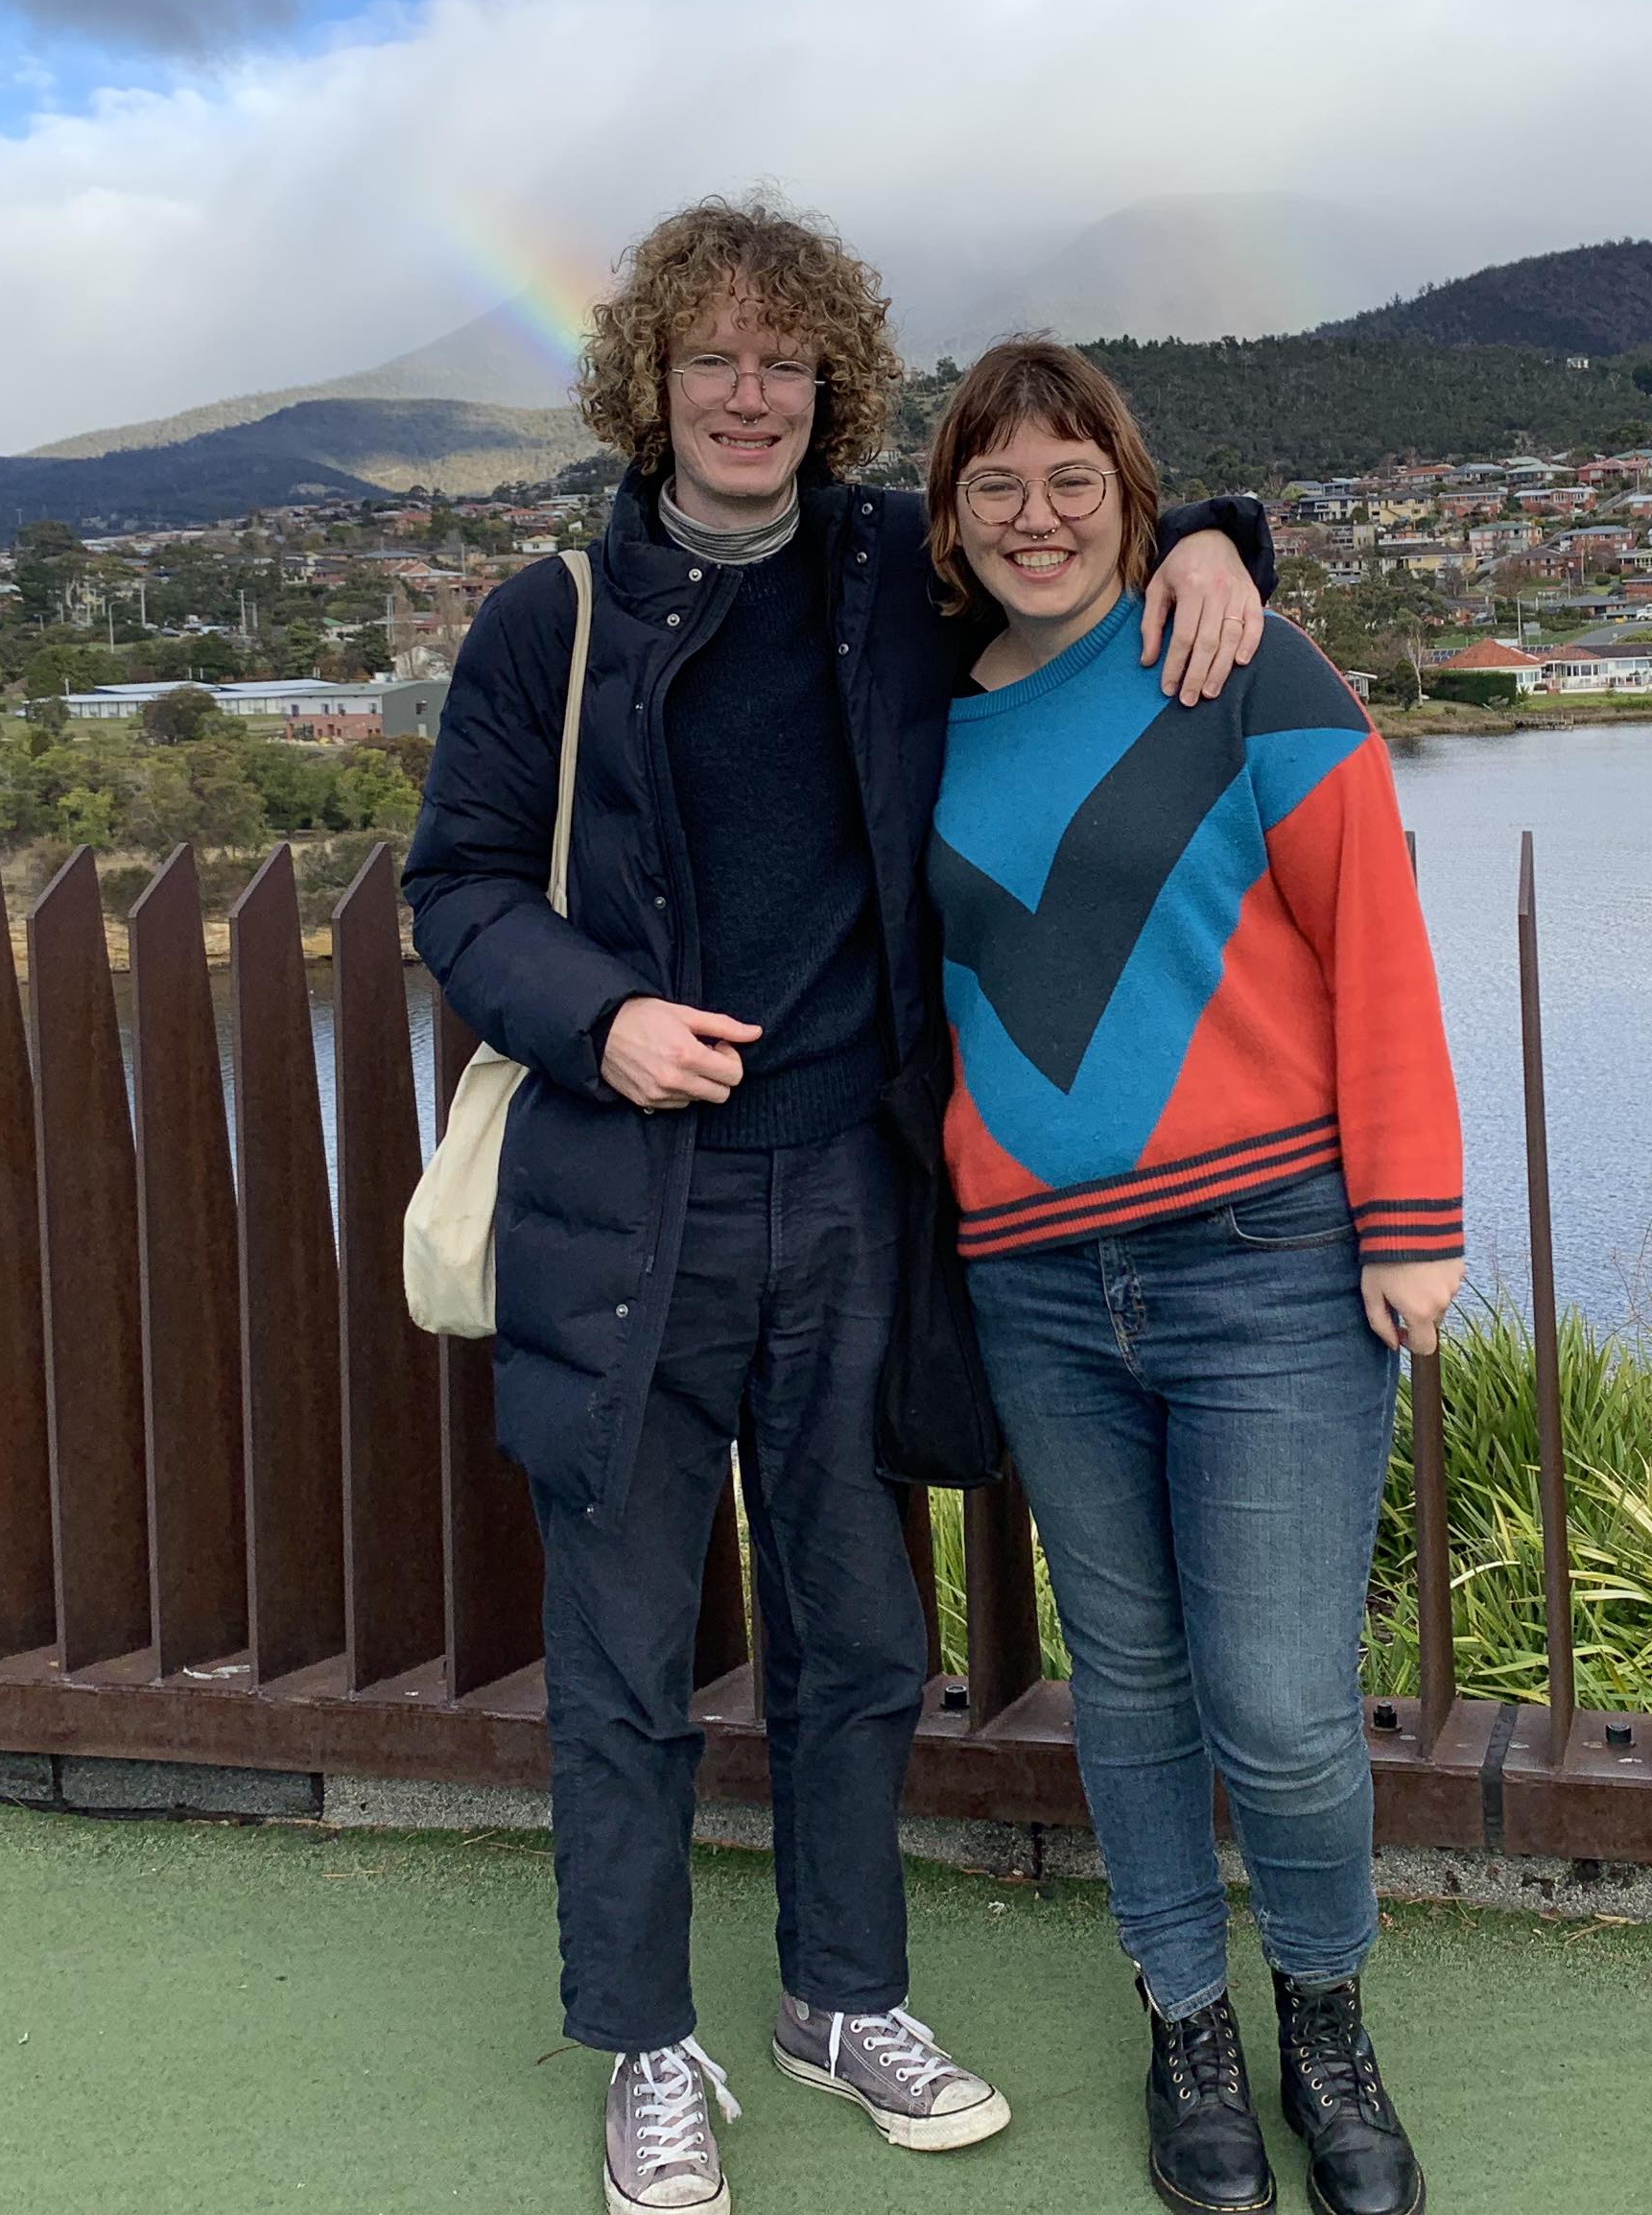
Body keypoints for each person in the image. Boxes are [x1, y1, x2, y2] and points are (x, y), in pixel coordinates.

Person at [405, 202, 1275, 2215]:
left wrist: (1224, 533)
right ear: (651, 383)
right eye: (711, 358)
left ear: (831, 389)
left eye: (784, 362)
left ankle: (841, 1997)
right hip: (631, 1203)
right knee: (625, 1655)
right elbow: (454, 888)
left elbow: (1075, 535)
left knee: (858, 1637)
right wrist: (600, 1020)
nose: (747, 393)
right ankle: (643, 2044)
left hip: (850, 1200)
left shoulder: (894, 575)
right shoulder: (553, 616)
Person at [922, 339, 1462, 2215]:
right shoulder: (932, 717)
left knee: (1290, 1707)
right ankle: (1187, 2029)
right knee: (1131, 1687)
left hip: (1269, 1267)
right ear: (953, 516)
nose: (1037, 513)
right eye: (996, 483)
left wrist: (1412, 1218)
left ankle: (1326, 2022)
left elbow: (1374, 938)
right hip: (1040, 1290)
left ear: (1132, 493)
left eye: (1074, 476)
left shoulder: (1236, 669)